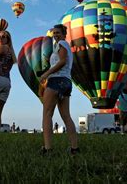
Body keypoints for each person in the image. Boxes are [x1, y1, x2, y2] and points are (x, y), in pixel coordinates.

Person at [39, 24, 79, 155]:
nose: (55, 35)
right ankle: (74, 148)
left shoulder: (62, 43)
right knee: (66, 116)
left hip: (56, 80)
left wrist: (46, 74)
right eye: (54, 33)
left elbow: (62, 61)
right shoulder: (63, 45)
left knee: (47, 114)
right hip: (67, 82)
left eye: (58, 32)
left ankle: (48, 148)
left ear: (64, 34)